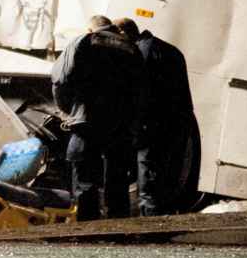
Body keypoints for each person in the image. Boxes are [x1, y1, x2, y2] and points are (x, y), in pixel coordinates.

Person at [51, 14, 144, 221]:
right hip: (120, 122)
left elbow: (60, 78)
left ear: (91, 29)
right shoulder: (132, 48)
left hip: (88, 120)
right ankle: (117, 226)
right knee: (117, 177)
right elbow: (140, 89)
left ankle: (88, 224)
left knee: (86, 177)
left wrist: (68, 110)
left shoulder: (83, 40)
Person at [115, 17, 192, 216]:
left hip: (152, 127)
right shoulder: (171, 50)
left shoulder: (140, 53)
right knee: (168, 178)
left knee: (149, 182)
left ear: (124, 33)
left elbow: (141, 96)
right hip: (179, 125)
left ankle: (150, 229)